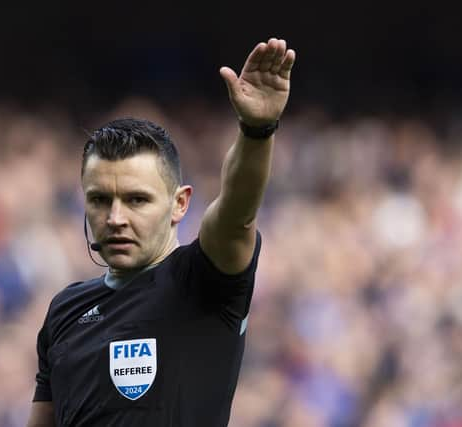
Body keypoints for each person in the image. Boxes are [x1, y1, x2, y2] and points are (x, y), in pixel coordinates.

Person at [26, 38, 296, 427]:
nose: (115, 217)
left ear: (180, 204)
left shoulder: (203, 280)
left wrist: (257, 130)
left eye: (137, 200)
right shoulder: (65, 311)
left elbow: (237, 211)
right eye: (101, 199)